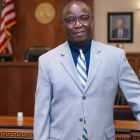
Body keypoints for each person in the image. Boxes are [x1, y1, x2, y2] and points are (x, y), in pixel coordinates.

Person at [34, 0, 140, 140]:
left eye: (83, 18)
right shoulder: (47, 61)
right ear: (63, 24)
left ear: (92, 20)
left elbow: (137, 98)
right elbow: (42, 113)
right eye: (71, 20)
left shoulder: (115, 57)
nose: (78, 25)